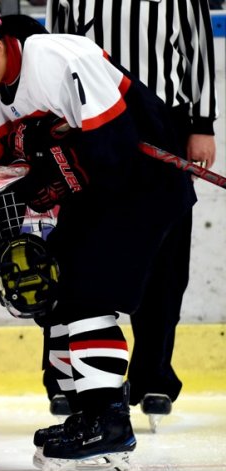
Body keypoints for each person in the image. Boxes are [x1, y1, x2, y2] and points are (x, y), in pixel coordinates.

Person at [0, 5, 197, 471]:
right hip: (98, 192)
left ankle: (109, 427)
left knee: (87, 297)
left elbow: (115, 155)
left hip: (145, 187)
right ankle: (89, 414)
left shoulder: (57, 58)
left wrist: (51, 172)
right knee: (58, 294)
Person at [45, 0, 218, 431]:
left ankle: (154, 374)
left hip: (165, 117)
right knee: (75, 242)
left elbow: (197, 49)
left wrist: (203, 123)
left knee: (166, 252)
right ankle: (65, 376)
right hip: (90, 122)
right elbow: (55, 44)